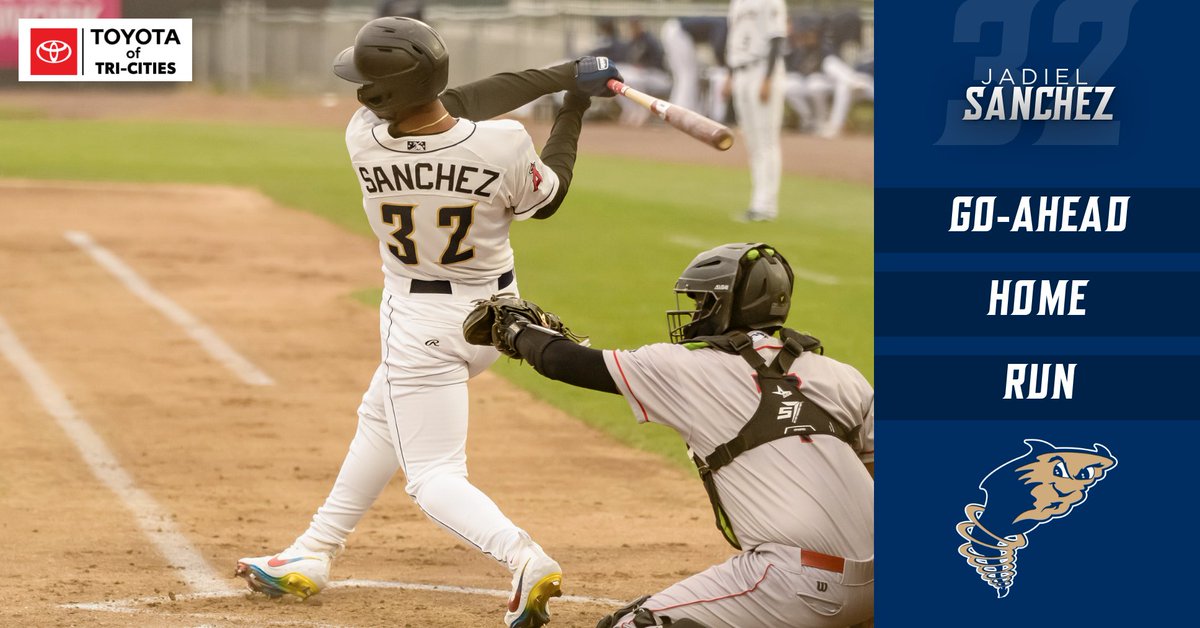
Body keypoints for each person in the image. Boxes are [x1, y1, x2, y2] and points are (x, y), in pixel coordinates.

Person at [232, 17, 621, 628]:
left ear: (378, 96)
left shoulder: (362, 136)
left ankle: (524, 558)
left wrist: (563, 79)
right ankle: (312, 551)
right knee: (380, 415)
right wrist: (572, 101)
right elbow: (550, 192)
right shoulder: (506, 143)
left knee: (434, 475)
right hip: (497, 320)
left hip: (420, 324)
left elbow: (464, 99)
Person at [466, 242, 874, 627]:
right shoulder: (842, 377)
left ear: (728, 305)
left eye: (702, 302)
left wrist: (516, 329)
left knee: (629, 623)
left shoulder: (688, 370)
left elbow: (566, 361)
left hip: (792, 582)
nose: (695, 313)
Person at [724, 0, 788, 222]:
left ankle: (766, 206)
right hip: (740, 70)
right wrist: (729, 75)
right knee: (752, 141)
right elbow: (735, 39)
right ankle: (756, 203)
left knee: (766, 140)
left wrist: (768, 78)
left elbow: (777, 38)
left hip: (762, 69)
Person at [660, 16, 729, 119]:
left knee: (683, 76)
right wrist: (724, 65)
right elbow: (718, 48)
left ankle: (674, 111)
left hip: (672, 30)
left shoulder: (720, 21)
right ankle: (680, 113)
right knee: (688, 75)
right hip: (678, 32)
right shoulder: (724, 24)